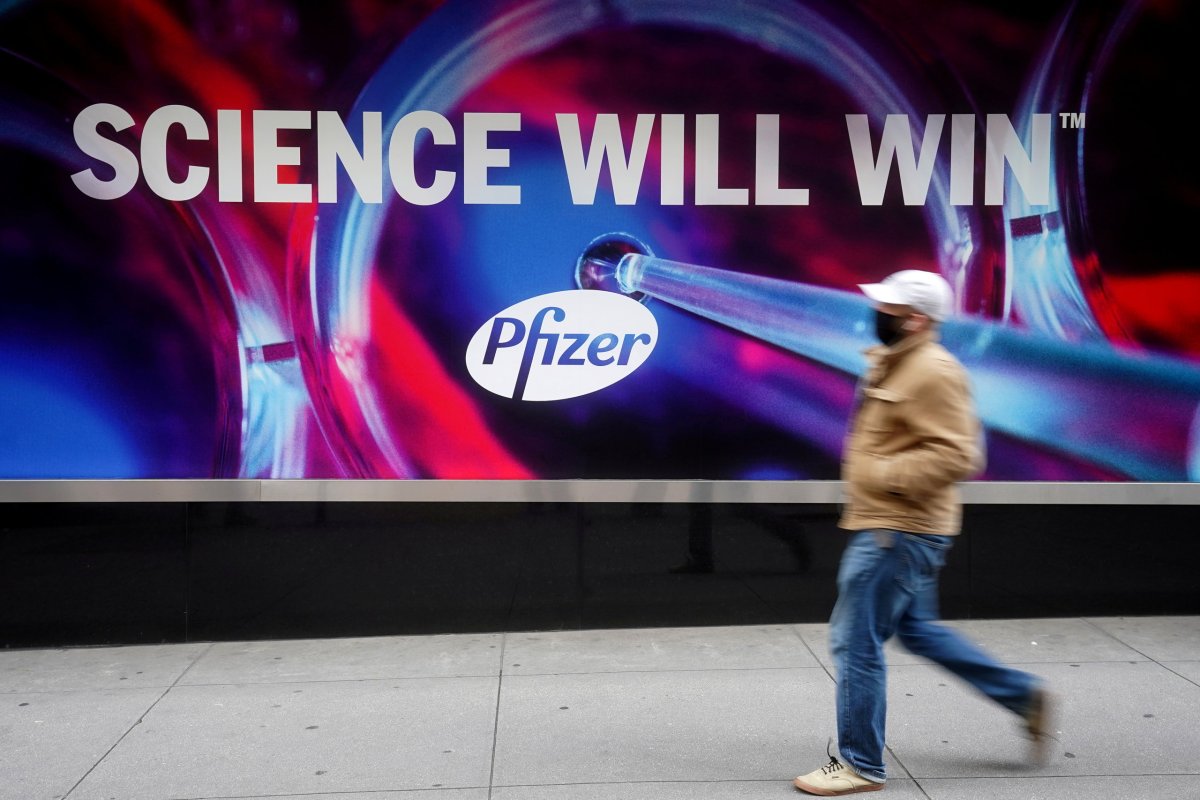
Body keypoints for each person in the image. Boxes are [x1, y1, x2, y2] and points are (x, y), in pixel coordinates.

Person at [793, 270, 1054, 796]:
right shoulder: (899, 363)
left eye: (888, 308)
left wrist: (883, 478)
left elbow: (960, 453)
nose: (877, 314)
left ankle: (861, 764)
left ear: (916, 320)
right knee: (917, 631)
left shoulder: (933, 371)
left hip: (898, 529)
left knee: (854, 639)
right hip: (902, 524)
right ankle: (1024, 696)